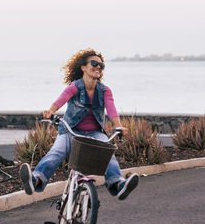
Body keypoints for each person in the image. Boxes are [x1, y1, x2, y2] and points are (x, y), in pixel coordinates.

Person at [19, 48, 139, 200]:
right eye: (94, 63)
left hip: (95, 134)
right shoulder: (75, 86)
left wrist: (118, 126)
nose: (98, 67)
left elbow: (112, 109)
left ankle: (118, 185)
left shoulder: (104, 91)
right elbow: (62, 98)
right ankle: (35, 180)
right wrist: (50, 111)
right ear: (83, 67)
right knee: (56, 153)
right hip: (71, 132)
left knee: (108, 154)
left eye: (101, 66)